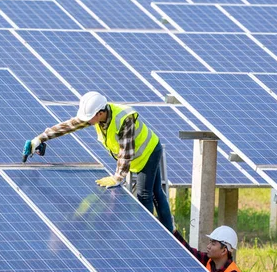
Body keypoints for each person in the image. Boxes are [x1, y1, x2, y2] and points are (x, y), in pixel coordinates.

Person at [23, 91, 173, 232]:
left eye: (89, 118)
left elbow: (126, 153)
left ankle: (148, 234)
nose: (86, 121)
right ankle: (169, 233)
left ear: (100, 113)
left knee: (145, 195)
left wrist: (117, 177)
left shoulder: (124, 119)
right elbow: (69, 126)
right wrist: (40, 138)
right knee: (157, 193)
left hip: (148, 153)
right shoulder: (97, 116)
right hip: (141, 152)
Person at [173, 225, 243, 272]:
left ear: (224, 250)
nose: (208, 246)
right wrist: (174, 231)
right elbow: (189, 253)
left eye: (213, 244)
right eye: (210, 242)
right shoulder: (209, 261)